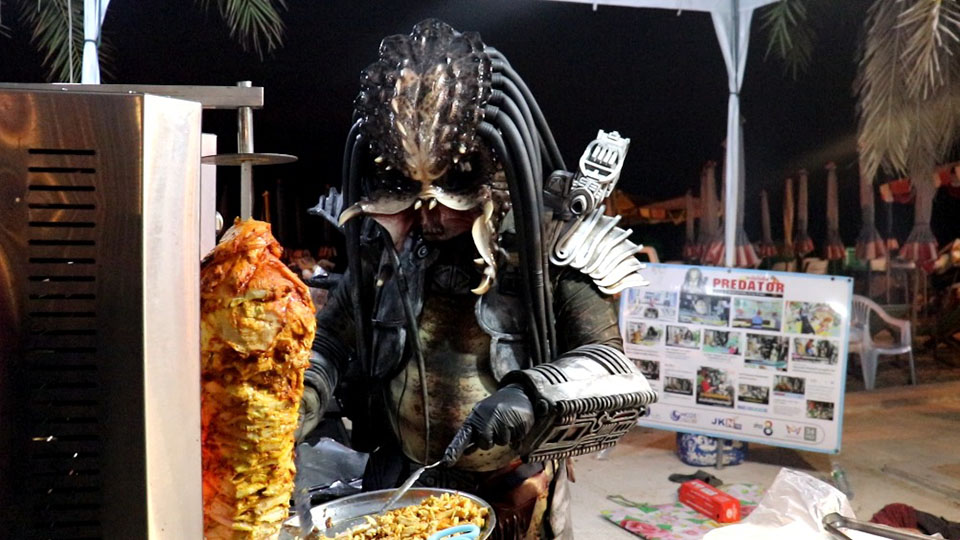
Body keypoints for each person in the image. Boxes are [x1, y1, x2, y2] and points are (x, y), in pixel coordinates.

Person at [296, 20, 654, 539]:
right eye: (411, 195)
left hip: (512, 489)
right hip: (400, 477)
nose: (428, 216)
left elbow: (615, 369)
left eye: (447, 197)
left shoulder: (548, 247)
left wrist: (529, 396)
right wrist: (306, 387)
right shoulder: (386, 246)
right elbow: (332, 336)